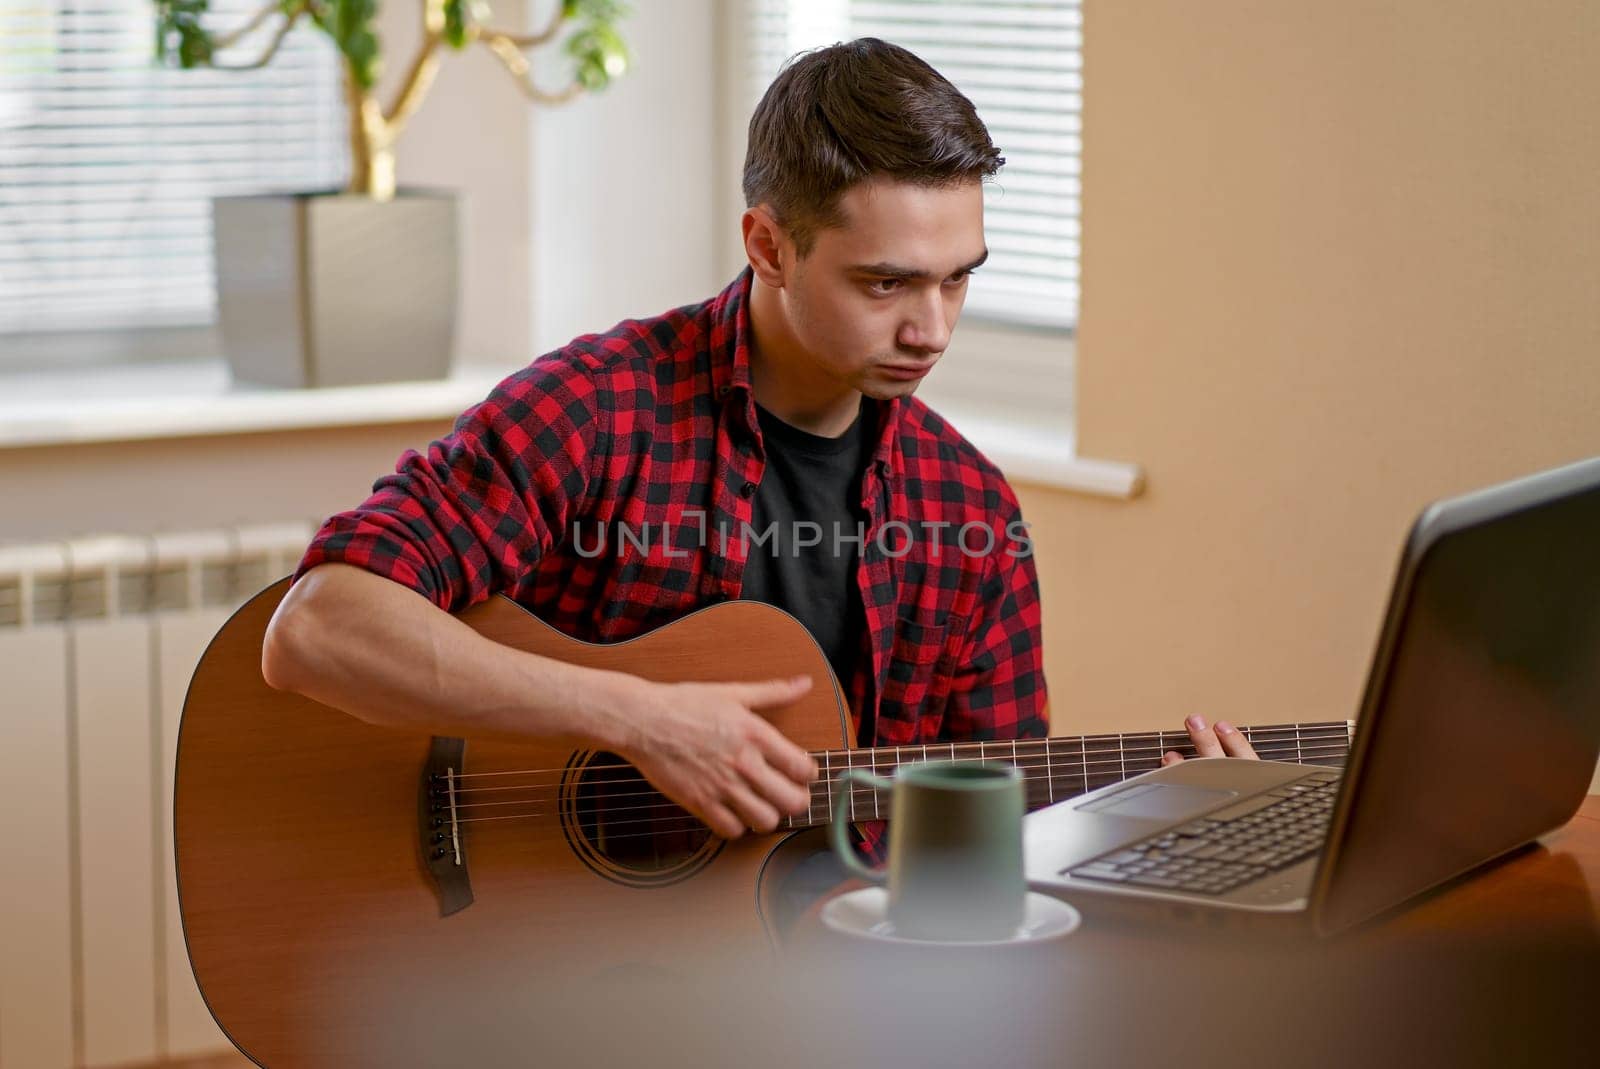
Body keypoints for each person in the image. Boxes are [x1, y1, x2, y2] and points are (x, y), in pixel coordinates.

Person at [261, 38, 1255, 864]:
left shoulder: (970, 510)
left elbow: (988, 839)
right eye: (885, 284)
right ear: (769, 246)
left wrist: (1137, 818)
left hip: (818, 982)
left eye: (957, 281)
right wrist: (634, 719)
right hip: (549, 978)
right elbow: (317, 628)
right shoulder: (600, 410)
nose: (932, 329)